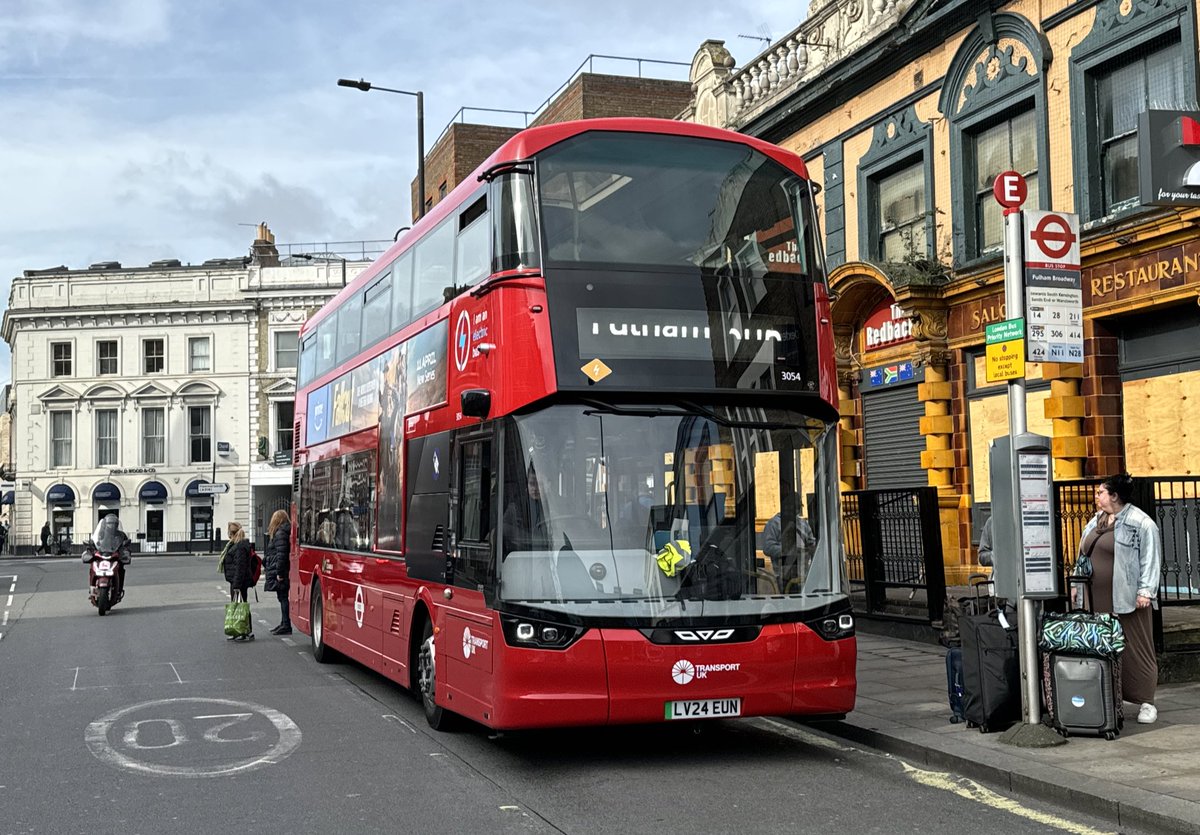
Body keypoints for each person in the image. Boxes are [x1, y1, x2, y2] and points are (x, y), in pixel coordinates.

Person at [1075, 473, 1161, 724]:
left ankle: (1146, 701)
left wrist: (1146, 591)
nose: (1096, 496)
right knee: (1102, 645)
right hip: (1096, 596)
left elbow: (1150, 558)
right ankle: (1110, 695)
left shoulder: (1140, 522)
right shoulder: (1095, 522)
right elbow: (1083, 553)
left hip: (1127, 596)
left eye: (1100, 492)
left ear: (1114, 495)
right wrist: (1077, 580)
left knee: (1136, 647)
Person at [221, 521, 255, 642]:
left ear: (231, 533)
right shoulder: (235, 544)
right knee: (240, 605)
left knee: (241, 605)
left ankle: (244, 630)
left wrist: (236, 584)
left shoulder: (239, 546)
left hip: (239, 581)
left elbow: (240, 567)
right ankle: (240, 630)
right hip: (237, 580)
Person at [88, 514, 132, 598]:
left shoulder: (121, 534)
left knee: (121, 569)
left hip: (115, 555)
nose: (111, 525)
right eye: (109, 523)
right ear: (105, 524)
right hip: (102, 553)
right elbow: (95, 540)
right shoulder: (101, 533)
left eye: (113, 523)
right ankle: (93, 590)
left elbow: (126, 544)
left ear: (116, 524)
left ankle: (118, 590)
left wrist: (125, 550)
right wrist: (91, 545)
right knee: (93, 568)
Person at [264, 510, 292, 635]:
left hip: (280, 570)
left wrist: (280, 573)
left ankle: (286, 624)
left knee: (283, 597)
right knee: (281, 597)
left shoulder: (280, 533)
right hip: (278, 568)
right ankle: (283, 623)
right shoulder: (282, 532)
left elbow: (281, 555)